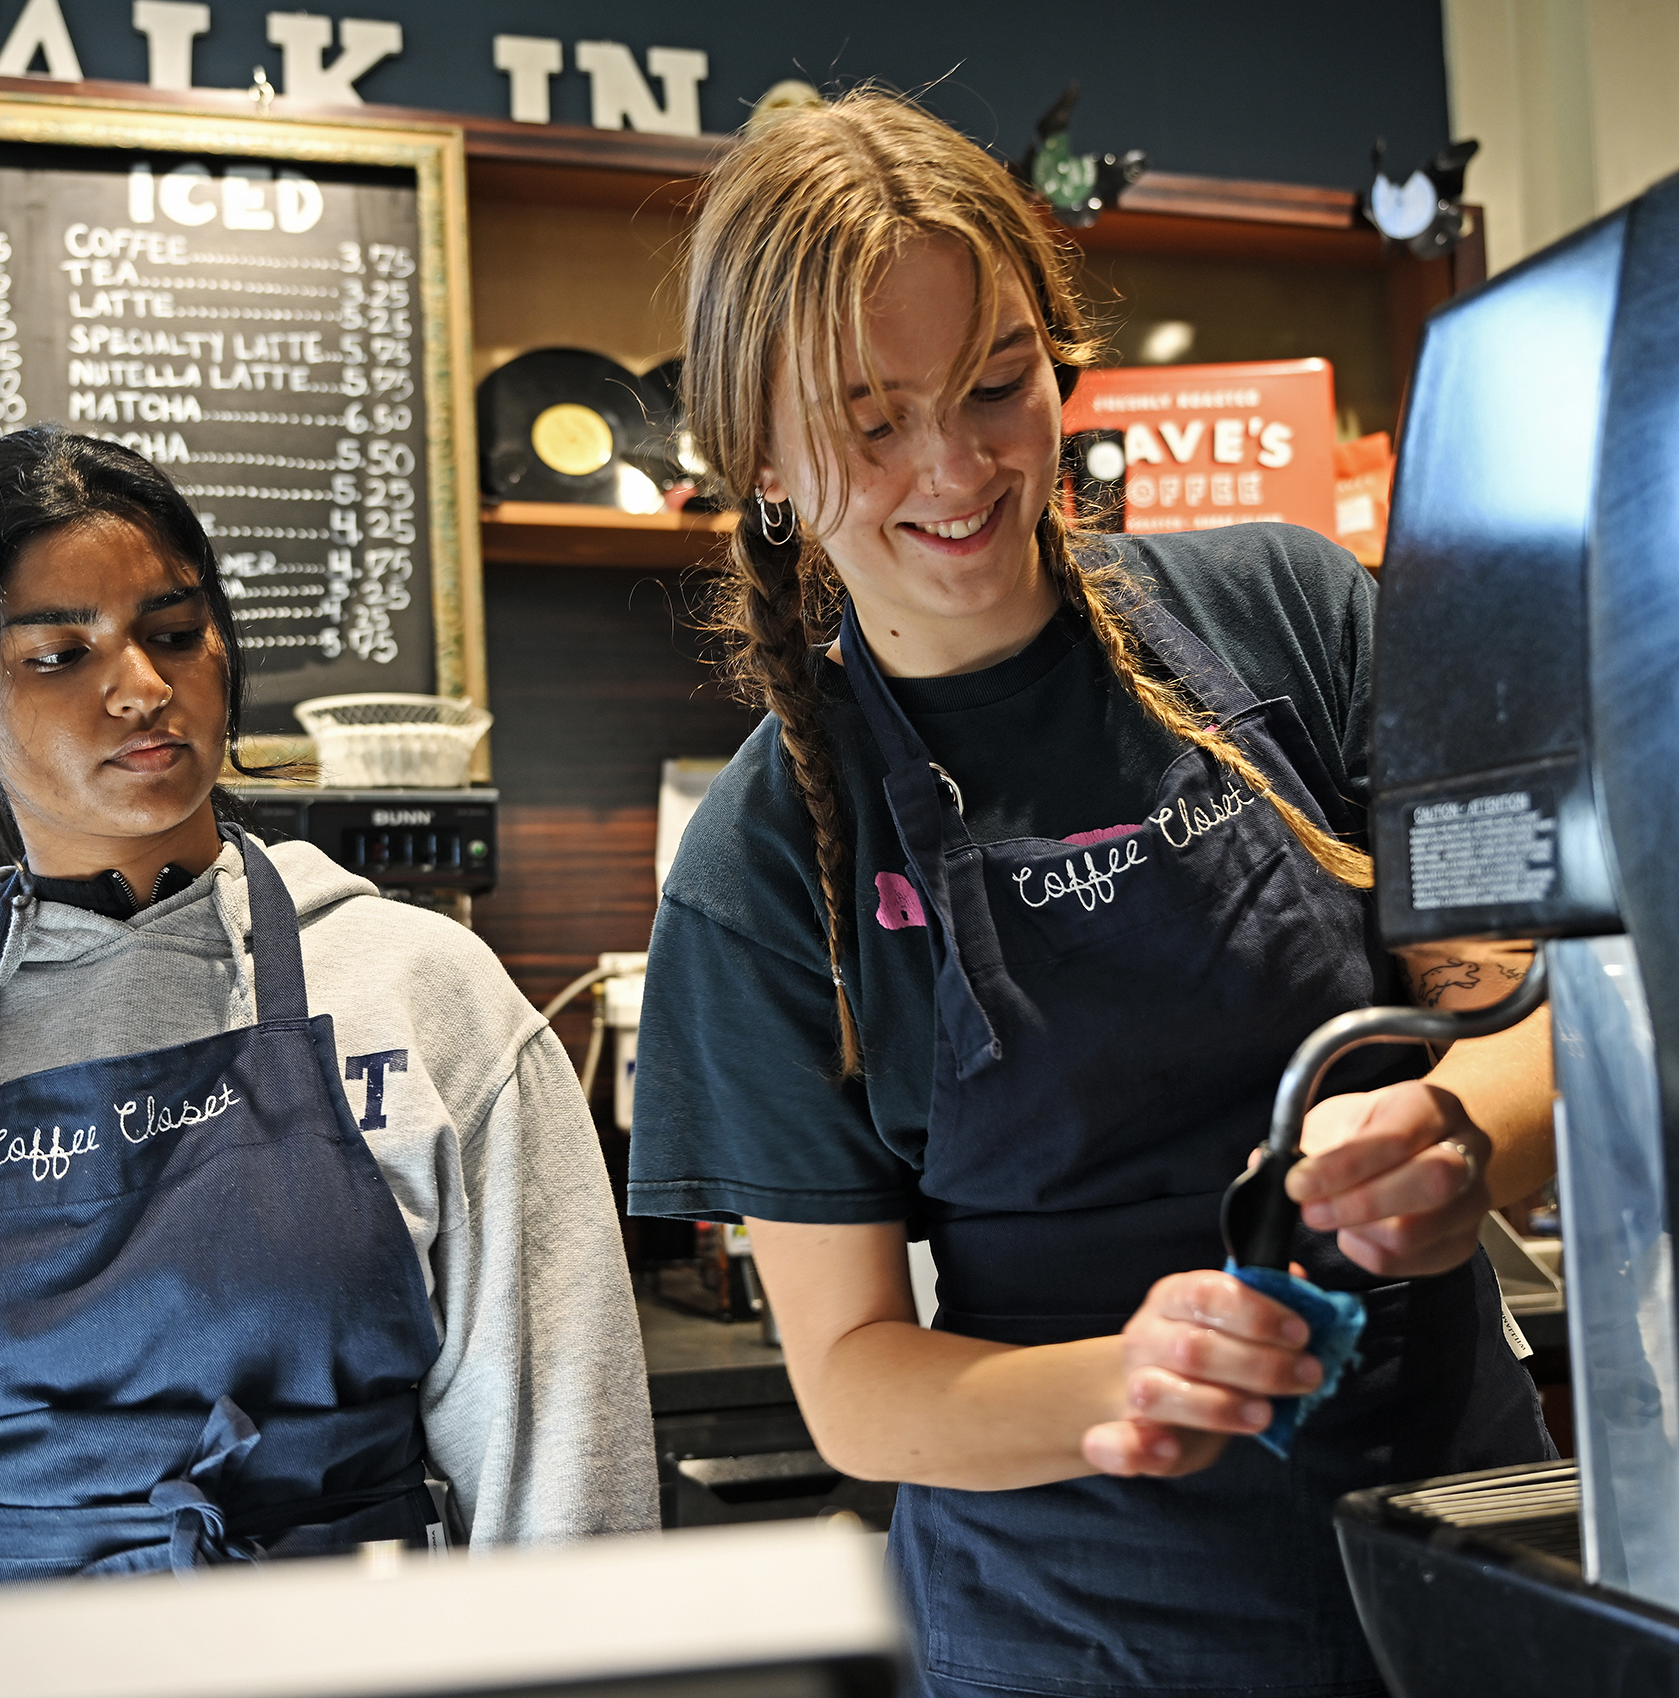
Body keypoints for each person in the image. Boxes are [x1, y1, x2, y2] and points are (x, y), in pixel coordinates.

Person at [628, 93, 1554, 1697]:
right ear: (760, 462)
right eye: (869, 423)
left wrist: (1460, 1135)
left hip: (1464, 1545)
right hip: (1084, 1629)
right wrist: (1130, 1377)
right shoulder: (766, 861)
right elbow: (854, 1381)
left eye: (998, 386)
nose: (957, 467)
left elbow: (1538, 1021)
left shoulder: (1292, 617)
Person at [0, 428, 657, 1623]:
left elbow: (567, 1472)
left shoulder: (424, 995)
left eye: (174, 633)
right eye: (60, 653)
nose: (142, 687)